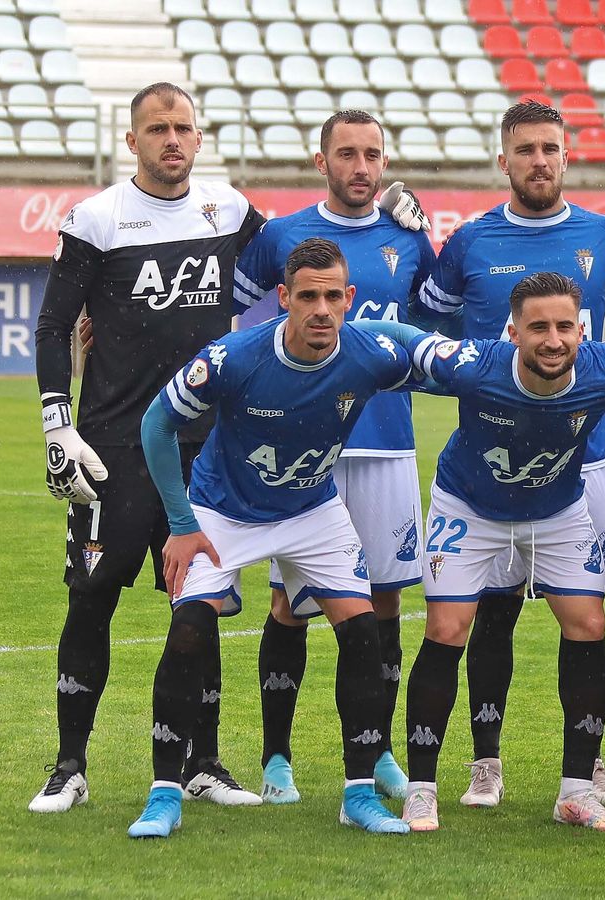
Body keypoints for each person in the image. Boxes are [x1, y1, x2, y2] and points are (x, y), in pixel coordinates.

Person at [410, 100, 605, 809]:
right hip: (489, 455)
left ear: (565, 155)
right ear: (505, 160)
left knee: (581, 616)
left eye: (550, 148)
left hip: (581, 461)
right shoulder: (469, 243)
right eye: (525, 150)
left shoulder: (600, 235)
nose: (539, 161)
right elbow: (428, 320)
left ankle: (586, 769)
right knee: (490, 612)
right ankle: (484, 763)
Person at [129, 237, 418, 838]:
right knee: (188, 630)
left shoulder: (370, 354)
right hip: (222, 509)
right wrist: (183, 525)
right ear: (283, 298)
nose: (320, 309)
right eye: (307, 296)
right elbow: (157, 423)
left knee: (363, 634)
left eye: (332, 296)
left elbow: (444, 360)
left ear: (349, 299)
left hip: (312, 509)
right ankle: (164, 793)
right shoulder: (235, 357)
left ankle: (358, 793)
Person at [29, 82, 265, 813]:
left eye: (183, 128)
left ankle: (205, 763)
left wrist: (381, 207)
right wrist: (56, 425)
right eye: (157, 128)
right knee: (92, 598)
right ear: (132, 141)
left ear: (200, 139)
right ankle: (70, 765)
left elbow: (304, 257)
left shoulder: (228, 211)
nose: (172, 139)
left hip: (205, 449)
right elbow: (51, 327)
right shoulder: (97, 219)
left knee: (200, 601)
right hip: (115, 447)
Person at [394, 272, 605, 833]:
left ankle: (575, 791)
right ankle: (422, 788)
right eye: (539, 327)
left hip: (558, 510)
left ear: (582, 329)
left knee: (588, 624)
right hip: (469, 508)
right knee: (447, 628)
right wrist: (343, 334)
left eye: (565, 327)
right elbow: (397, 335)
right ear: (514, 332)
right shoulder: (472, 365)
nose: (554, 340)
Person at [231, 108, 435, 804]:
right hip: (304, 449)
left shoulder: (407, 238)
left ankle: (374, 754)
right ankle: (276, 757)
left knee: (380, 604)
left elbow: (440, 324)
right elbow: (229, 314)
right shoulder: (282, 235)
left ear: (385, 162)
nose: (361, 167)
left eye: (373, 154)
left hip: (385, 443)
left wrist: (428, 230)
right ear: (322, 161)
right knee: (291, 604)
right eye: (347, 153)